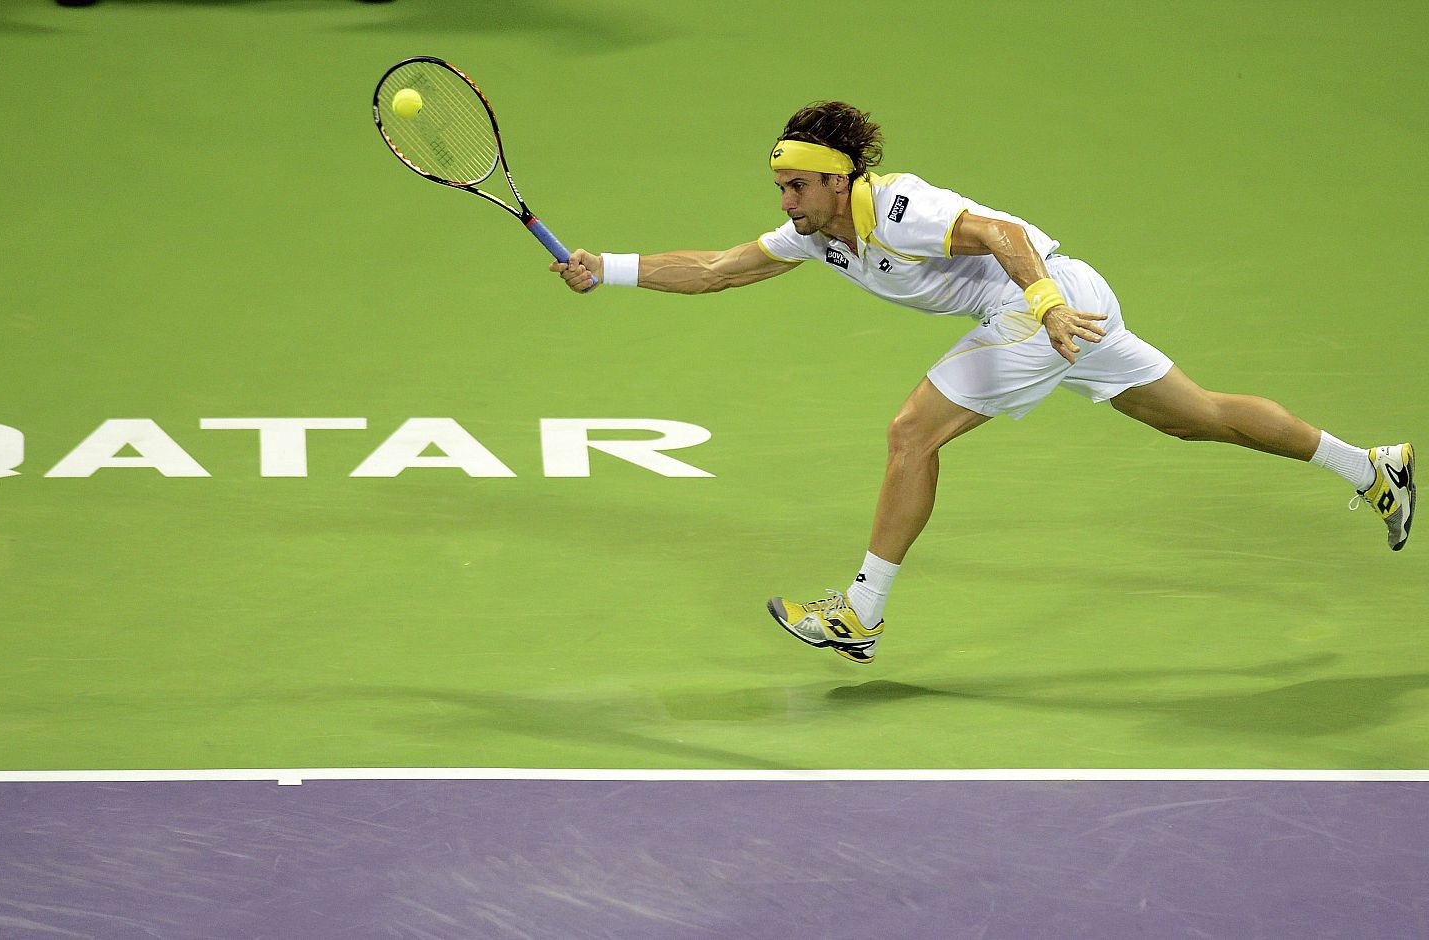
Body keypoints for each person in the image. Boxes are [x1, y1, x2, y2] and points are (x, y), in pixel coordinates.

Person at [550, 101, 1414, 665]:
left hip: (1044, 303)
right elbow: (715, 269)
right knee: (1196, 416)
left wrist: (1045, 307)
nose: (786, 203)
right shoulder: (818, 235)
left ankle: (861, 612)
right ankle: (1373, 467)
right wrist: (607, 268)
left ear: (839, 177)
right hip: (1065, 306)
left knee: (910, 433)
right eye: (780, 188)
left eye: (797, 186)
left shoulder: (900, 209)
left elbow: (1002, 234)